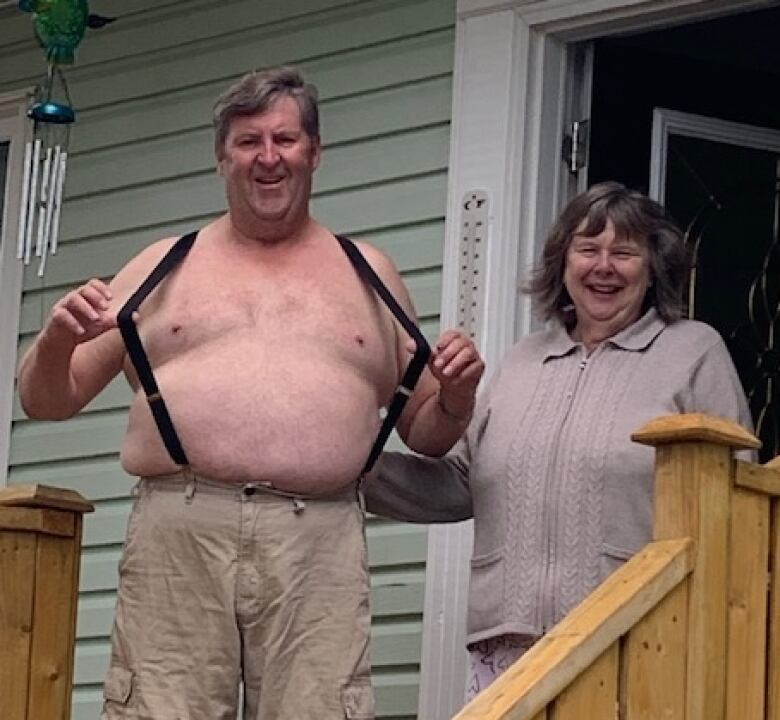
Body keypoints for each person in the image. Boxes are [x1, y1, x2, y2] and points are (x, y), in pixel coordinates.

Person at [16, 66, 484, 720]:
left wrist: (457, 398)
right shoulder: (159, 266)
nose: (269, 158)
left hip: (319, 539)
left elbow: (426, 432)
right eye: (248, 141)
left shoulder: (370, 275)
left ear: (315, 152)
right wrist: (56, 340)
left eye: (286, 140)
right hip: (180, 530)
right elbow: (48, 399)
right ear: (220, 158)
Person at [363, 181, 754, 701]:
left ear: (653, 267)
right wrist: (354, 466)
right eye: (588, 249)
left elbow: (738, 503)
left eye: (624, 253)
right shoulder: (525, 359)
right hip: (510, 652)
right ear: (563, 263)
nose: (603, 267)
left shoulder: (691, 352)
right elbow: (461, 484)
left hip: (636, 643)